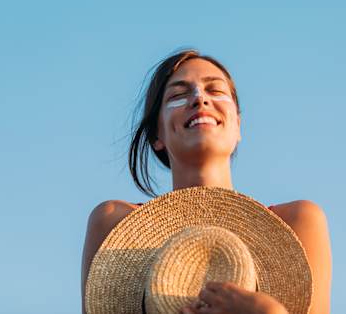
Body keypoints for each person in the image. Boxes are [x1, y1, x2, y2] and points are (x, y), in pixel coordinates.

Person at [81, 49, 332, 314]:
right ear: (158, 134)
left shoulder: (297, 222)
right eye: (178, 95)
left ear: (238, 125)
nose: (199, 99)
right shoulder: (116, 224)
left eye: (215, 90)